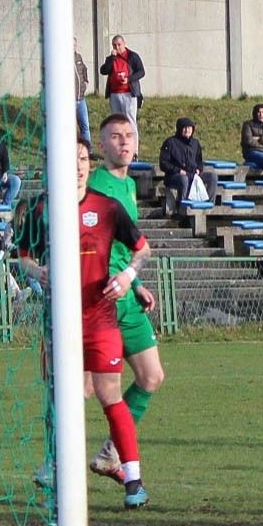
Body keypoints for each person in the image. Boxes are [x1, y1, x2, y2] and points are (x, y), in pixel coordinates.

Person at [18, 138, 152, 509]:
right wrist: (38, 271)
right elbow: (23, 257)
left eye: (82, 159)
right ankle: (56, 467)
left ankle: (133, 481)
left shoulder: (106, 207)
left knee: (110, 396)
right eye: (70, 158)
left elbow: (142, 249)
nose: (77, 165)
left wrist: (127, 276)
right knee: (63, 398)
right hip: (59, 323)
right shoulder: (42, 208)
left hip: (100, 321)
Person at [86, 115, 169, 489]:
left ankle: (110, 453)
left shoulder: (130, 186)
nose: (124, 142)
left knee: (151, 376)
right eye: (116, 137)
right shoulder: (94, 186)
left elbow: (123, 245)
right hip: (100, 298)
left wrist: (135, 284)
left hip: (126, 295)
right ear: (102, 144)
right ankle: (53, 463)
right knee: (85, 387)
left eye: (129, 136)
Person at [158, 117, 219, 214]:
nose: (187, 130)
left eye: (189, 128)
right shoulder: (170, 142)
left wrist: (199, 169)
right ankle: (182, 210)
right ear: (179, 129)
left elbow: (199, 160)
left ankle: (209, 206)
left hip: (193, 174)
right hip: (175, 176)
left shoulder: (195, 143)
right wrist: (178, 170)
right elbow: (163, 163)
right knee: (184, 179)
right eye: (185, 128)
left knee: (212, 177)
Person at [98, 35, 145, 153]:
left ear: (124, 44)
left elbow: (141, 72)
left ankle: (134, 151)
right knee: (117, 122)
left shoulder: (132, 56)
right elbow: (103, 70)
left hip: (129, 94)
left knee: (130, 122)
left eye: (119, 45)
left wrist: (129, 79)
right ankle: (119, 150)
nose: (117, 47)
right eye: (114, 45)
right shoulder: (111, 58)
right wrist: (111, 58)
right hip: (114, 94)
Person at [75, 38, 90, 143]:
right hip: (68, 100)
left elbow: (84, 69)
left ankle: (88, 148)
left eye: (74, 45)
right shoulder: (62, 58)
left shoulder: (78, 57)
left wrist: (86, 81)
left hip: (81, 98)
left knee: (85, 125)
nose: (72, 47)